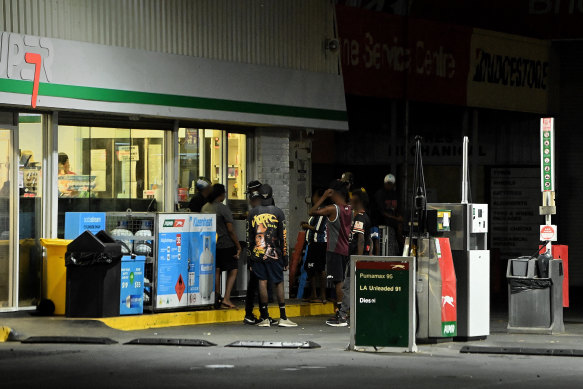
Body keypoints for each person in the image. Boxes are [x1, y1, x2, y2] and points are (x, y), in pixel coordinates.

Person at [247, 184, 297, 327]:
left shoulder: (252, 213)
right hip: (275, 254)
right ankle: (283, 317)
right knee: (278, 282)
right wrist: (286, 258)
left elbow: (249, 237)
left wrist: (249, 259)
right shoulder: (278, 212)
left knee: (262, 281)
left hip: (257, 254)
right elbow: (284, 237)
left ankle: (265, 318)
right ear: (271, 195)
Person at [309, 180, 352, 325]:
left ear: (333, 193)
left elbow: (312, 212)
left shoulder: (333, 208)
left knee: (338, 281)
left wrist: (323, 197)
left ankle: (341, 314)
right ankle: (344, 313)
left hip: (334, 249)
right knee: (344, 282)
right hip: (345, 249)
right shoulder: (349, 208)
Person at [327, 188, 371, 326]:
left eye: (352, 198)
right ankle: (353, 316)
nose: (350, 200)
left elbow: (361, 239)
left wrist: (356, 259)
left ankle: (342, 316)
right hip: (356, 257)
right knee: (354, 287)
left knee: (348, 287)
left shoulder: (360, 218)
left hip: (355, 258)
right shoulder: (362, 216)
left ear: (357, 201)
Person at [202, 184, 241, 309]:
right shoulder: (223, 209)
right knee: (234, 269)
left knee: (216, 270)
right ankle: (226, 298)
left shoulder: (205, 207)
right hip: (225, 244)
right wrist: (238, 245)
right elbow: (230, 230)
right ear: (222, 194)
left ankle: (216, 298)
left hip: (210, 245)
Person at [243, 180, 266, 325]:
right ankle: (255, 313)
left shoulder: (255, 212)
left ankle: (253, 313)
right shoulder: (256, 212)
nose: (250, 200)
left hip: (258, 251)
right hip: (258, 252)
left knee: (256, 284)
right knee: (256, 284)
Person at [301, 188, 328, 303]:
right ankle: (314, 294)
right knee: (311, 268)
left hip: (319, 243)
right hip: (313, 243)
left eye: (315, 196)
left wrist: (307, 226)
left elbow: (319, 228)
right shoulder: (316, 210)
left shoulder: (322, 211)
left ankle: (322, 295)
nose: (313, 198)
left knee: (319, 268)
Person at [374, 173, 403, 255]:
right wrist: (397, 219)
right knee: (381, 244)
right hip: (381, 223)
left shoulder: (395, 194)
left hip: (393, 224)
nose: (389, 186)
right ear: (384, 183)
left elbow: (398, 209)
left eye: (391, 184)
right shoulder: (379, 194)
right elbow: (381, 212)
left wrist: (399, 218)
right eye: (388, 183)